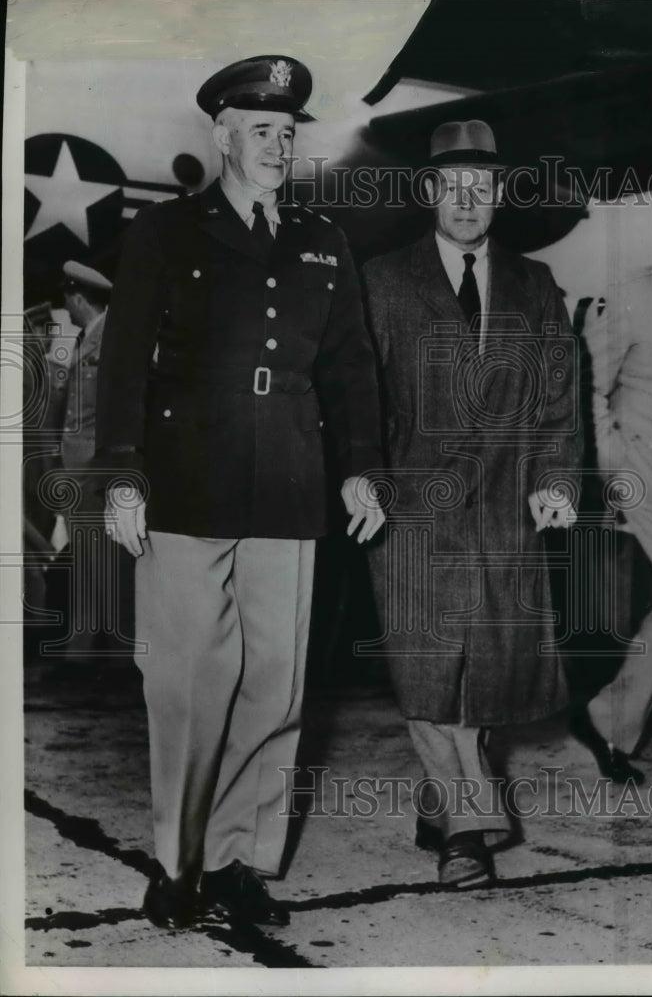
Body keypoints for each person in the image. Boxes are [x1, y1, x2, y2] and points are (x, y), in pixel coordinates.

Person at [96, 55, 384, 930]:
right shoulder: (166, 231)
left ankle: (236, 864)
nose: (278, 145)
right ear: (222, 136)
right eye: (261, 130)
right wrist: (121, 476)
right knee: (187, 682)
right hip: (187, 480)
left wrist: (361, 467)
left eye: (288, 133)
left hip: (290, 481)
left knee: (277, 686)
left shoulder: (322, 240)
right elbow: (122, 362)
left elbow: (349, 366)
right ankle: (178, 866)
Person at [362, 120, 582, 888]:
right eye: (450, 185)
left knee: (484, 670)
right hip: (410, 502)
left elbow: (558, 400)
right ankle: (470, 829)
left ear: (497, 195)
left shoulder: (534, 284)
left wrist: (554, 482)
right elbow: (359, 399)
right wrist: (363, 476)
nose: (465, 200)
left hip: (502, 504)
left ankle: (439, 803)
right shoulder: (381, 280)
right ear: (428, 192)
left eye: (479, 187)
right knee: (425, 665)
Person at [572, 206, 652, 784]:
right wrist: (613, 471)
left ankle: (607, 717)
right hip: (648, 478)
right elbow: (590, 393)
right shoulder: (630, 295)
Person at [48, 261, 135, 659]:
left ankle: (116, 649)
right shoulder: (88, 338)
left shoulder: (115, 338)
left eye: (69, 303)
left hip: (99, 469)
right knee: (87, 555)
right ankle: (85, 647)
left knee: (109, 558)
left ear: (80, 298)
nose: (68, 311)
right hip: (80, 469)